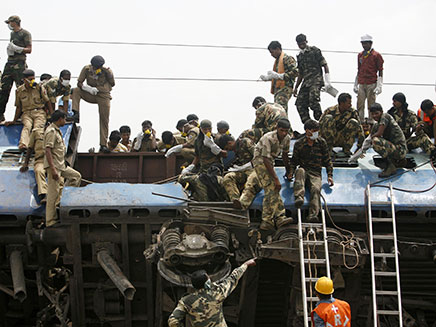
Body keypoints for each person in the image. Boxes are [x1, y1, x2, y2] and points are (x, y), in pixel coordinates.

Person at [235, 119, 293, 231]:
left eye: (286, 131)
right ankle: (277, 218)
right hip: (260, 160)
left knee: (270, 189)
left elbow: (285, 155)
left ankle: (268, 221)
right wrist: (276, 178)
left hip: (271, 161)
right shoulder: (268, 138)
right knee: (272, 186)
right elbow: (265, 159)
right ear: (277, 128)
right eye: (282, 130)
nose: (284, 133)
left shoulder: (287, 138)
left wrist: (288, 170)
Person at [168, 258, 256, 327]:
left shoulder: (186, 301)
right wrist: (245, 264)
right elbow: (233, 278)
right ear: (207, 283)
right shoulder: (217, 293)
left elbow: (172, 321)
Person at [289, 119, 333, 222]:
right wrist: (291, 172)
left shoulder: (321, 142)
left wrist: (329, 175)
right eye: (314, 130)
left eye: (317, 130)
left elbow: (327, 160)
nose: (316, 133)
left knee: (316, 189)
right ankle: (299, 197)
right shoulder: (299, 144)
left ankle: (313, 215)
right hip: (304, 169)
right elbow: (294, 161)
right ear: (307, 131)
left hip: (316, 173)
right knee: (300, 171)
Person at [44, 110, 81, 227]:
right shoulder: (51, 131)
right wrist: (53, 169)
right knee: (52, 194)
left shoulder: (57, 131)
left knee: (76, 177)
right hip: (54, 166)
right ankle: (50, 221)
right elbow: (48, 151)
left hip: (61, 165)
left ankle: (61, 201)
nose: (65, 121)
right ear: (60, 119)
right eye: (64, 119)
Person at [72, 55, 115, 152]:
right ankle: (76, 113)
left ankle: (103, 144)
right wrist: (88, 89)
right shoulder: (86, 69)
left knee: (104, 119)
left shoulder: (106, 71)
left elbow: (113, 83)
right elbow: (79, 83)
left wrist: (108, 73)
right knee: (75, 91)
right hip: (91, 93)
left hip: (103, 95)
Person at [178, 119, 227, 201]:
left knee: (204, 182)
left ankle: (206, 201)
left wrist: (214, 147)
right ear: (200, 129)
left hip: (215, 170)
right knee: (183, 178)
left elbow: (225, 154)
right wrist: (191, 166)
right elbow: (197, 156)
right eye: (205, 129)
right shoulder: (198, 141)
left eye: (209, 129)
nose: (207, 131)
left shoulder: (217, 139)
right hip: (203, 170)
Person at [4, 69, 52, 150]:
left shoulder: (39, 88)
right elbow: (18, 107)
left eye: (33, 79)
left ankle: (37, 146)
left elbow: (47, 102)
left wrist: (52, 115)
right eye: (30, 79)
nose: (32, 81)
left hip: (39, 112)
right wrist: (14, 120)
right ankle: (23, 144)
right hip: (26, 113)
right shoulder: (19, 91)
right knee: (27, 126)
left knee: (37, 128)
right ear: (24, 80)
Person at [0, 15, 32, 122]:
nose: (9, 25)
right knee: (4, 88)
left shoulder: (25, 33)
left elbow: (29, 49)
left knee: (21, 89)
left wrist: (18, 49)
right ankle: (0, 114)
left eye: (10, 22)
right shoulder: (12, 34)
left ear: (15, 22)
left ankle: (20, 116)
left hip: (19, 64)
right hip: (10, 63)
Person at [293, 34, 331, 123]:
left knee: (313, 100)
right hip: (306, 82)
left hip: (316, 79)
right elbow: (300, 73)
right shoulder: (300, 56)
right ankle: (309, 125)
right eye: (299, 44)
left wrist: (327, 81)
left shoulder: (314, 51)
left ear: (306, 41)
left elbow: (324, 65)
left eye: (303, 43)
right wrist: (296, 88)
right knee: (300, 103)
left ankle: (322, 121)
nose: (301, 45)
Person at [367, 103, 407, 177]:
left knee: (376, 141)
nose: (374, 116)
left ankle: (390, 166)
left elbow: (379, 133)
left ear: (381, 112)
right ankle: (394, 162)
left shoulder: (385, 116)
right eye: (372, 114)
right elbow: (368, 139)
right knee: (374, 141)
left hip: (400, 149)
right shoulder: (376, 125)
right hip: (394, 148)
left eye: (376, 113)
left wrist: (370, 138)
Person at [259, 41, 298, 112]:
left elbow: (296, 72)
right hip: (278, 89)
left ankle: (283, 122)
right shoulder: (277, 61)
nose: (271, 55)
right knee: (278, 109)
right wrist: (269, 78)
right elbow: (277, 76)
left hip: (285, 88)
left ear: (277, 49)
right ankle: (281, 122)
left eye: (272, 52)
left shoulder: (287, 58)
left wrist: (281, 76)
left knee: (280, 109)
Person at [353, 34, 384, 122]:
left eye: (366, 43)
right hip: (362, 82)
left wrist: (379, 85)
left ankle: (371, 122)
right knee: (360, 103)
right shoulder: (360, 55)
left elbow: (380, 71)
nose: (364, 45)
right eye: (362, 43)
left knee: (371, 105)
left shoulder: (376, 55)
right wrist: (356, 83)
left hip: (372, 82)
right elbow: (359, 69)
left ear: (370, 43)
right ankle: (361, 121)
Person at [220, 134, 255, 202]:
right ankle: (235, 201)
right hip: (243, 172)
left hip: (254, 170)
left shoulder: (245, 142)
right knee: (228, 177)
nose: (228, 150)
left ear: (229, 143)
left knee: (251, 181)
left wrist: (247, 166)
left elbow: (259, 156)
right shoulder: (236, 150)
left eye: (227, 148)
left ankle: (244, 203)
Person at [19, 128, 47, 203]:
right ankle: (44, 194)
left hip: (55, 162)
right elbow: (30, 148)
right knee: (39, 171)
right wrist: (26, 163)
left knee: (75, 176)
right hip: (41, 160)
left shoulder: (57, 133)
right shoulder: (36, 132)